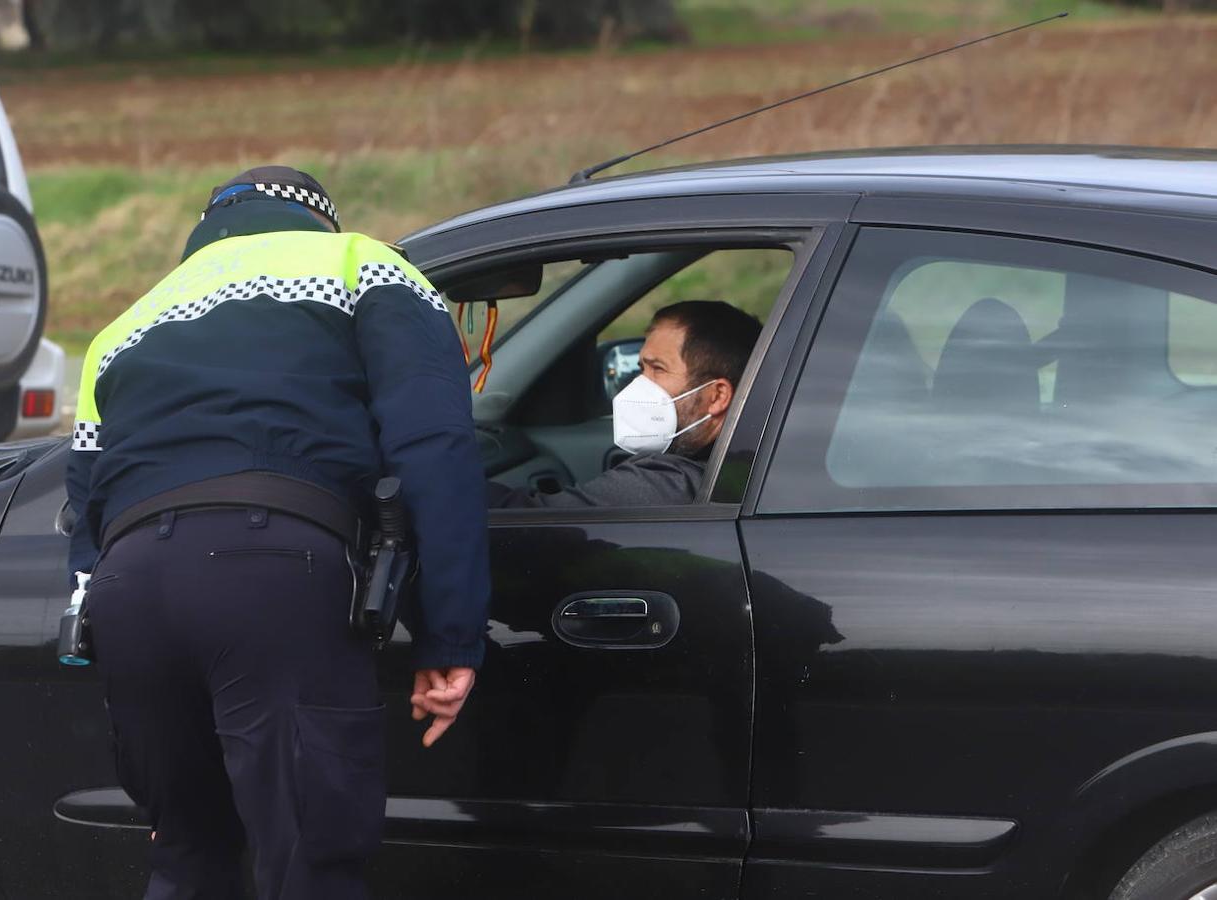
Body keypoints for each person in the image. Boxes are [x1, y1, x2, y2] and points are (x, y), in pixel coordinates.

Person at [65, 166, 490, 900]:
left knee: (186, 856)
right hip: (274, 571)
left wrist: (97, 633)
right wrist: (448, 635)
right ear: (320, 218)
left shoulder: (126, 323)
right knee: (307, 864)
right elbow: (434, 445)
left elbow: (84, 517)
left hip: (129, 588)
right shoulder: (364, 265)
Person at [489, 300, 761, 508]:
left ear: (717, 396)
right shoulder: (754, 463)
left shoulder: (666, 484)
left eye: (658, 369)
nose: (639, 385)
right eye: (641, 368)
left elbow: (533, 519)